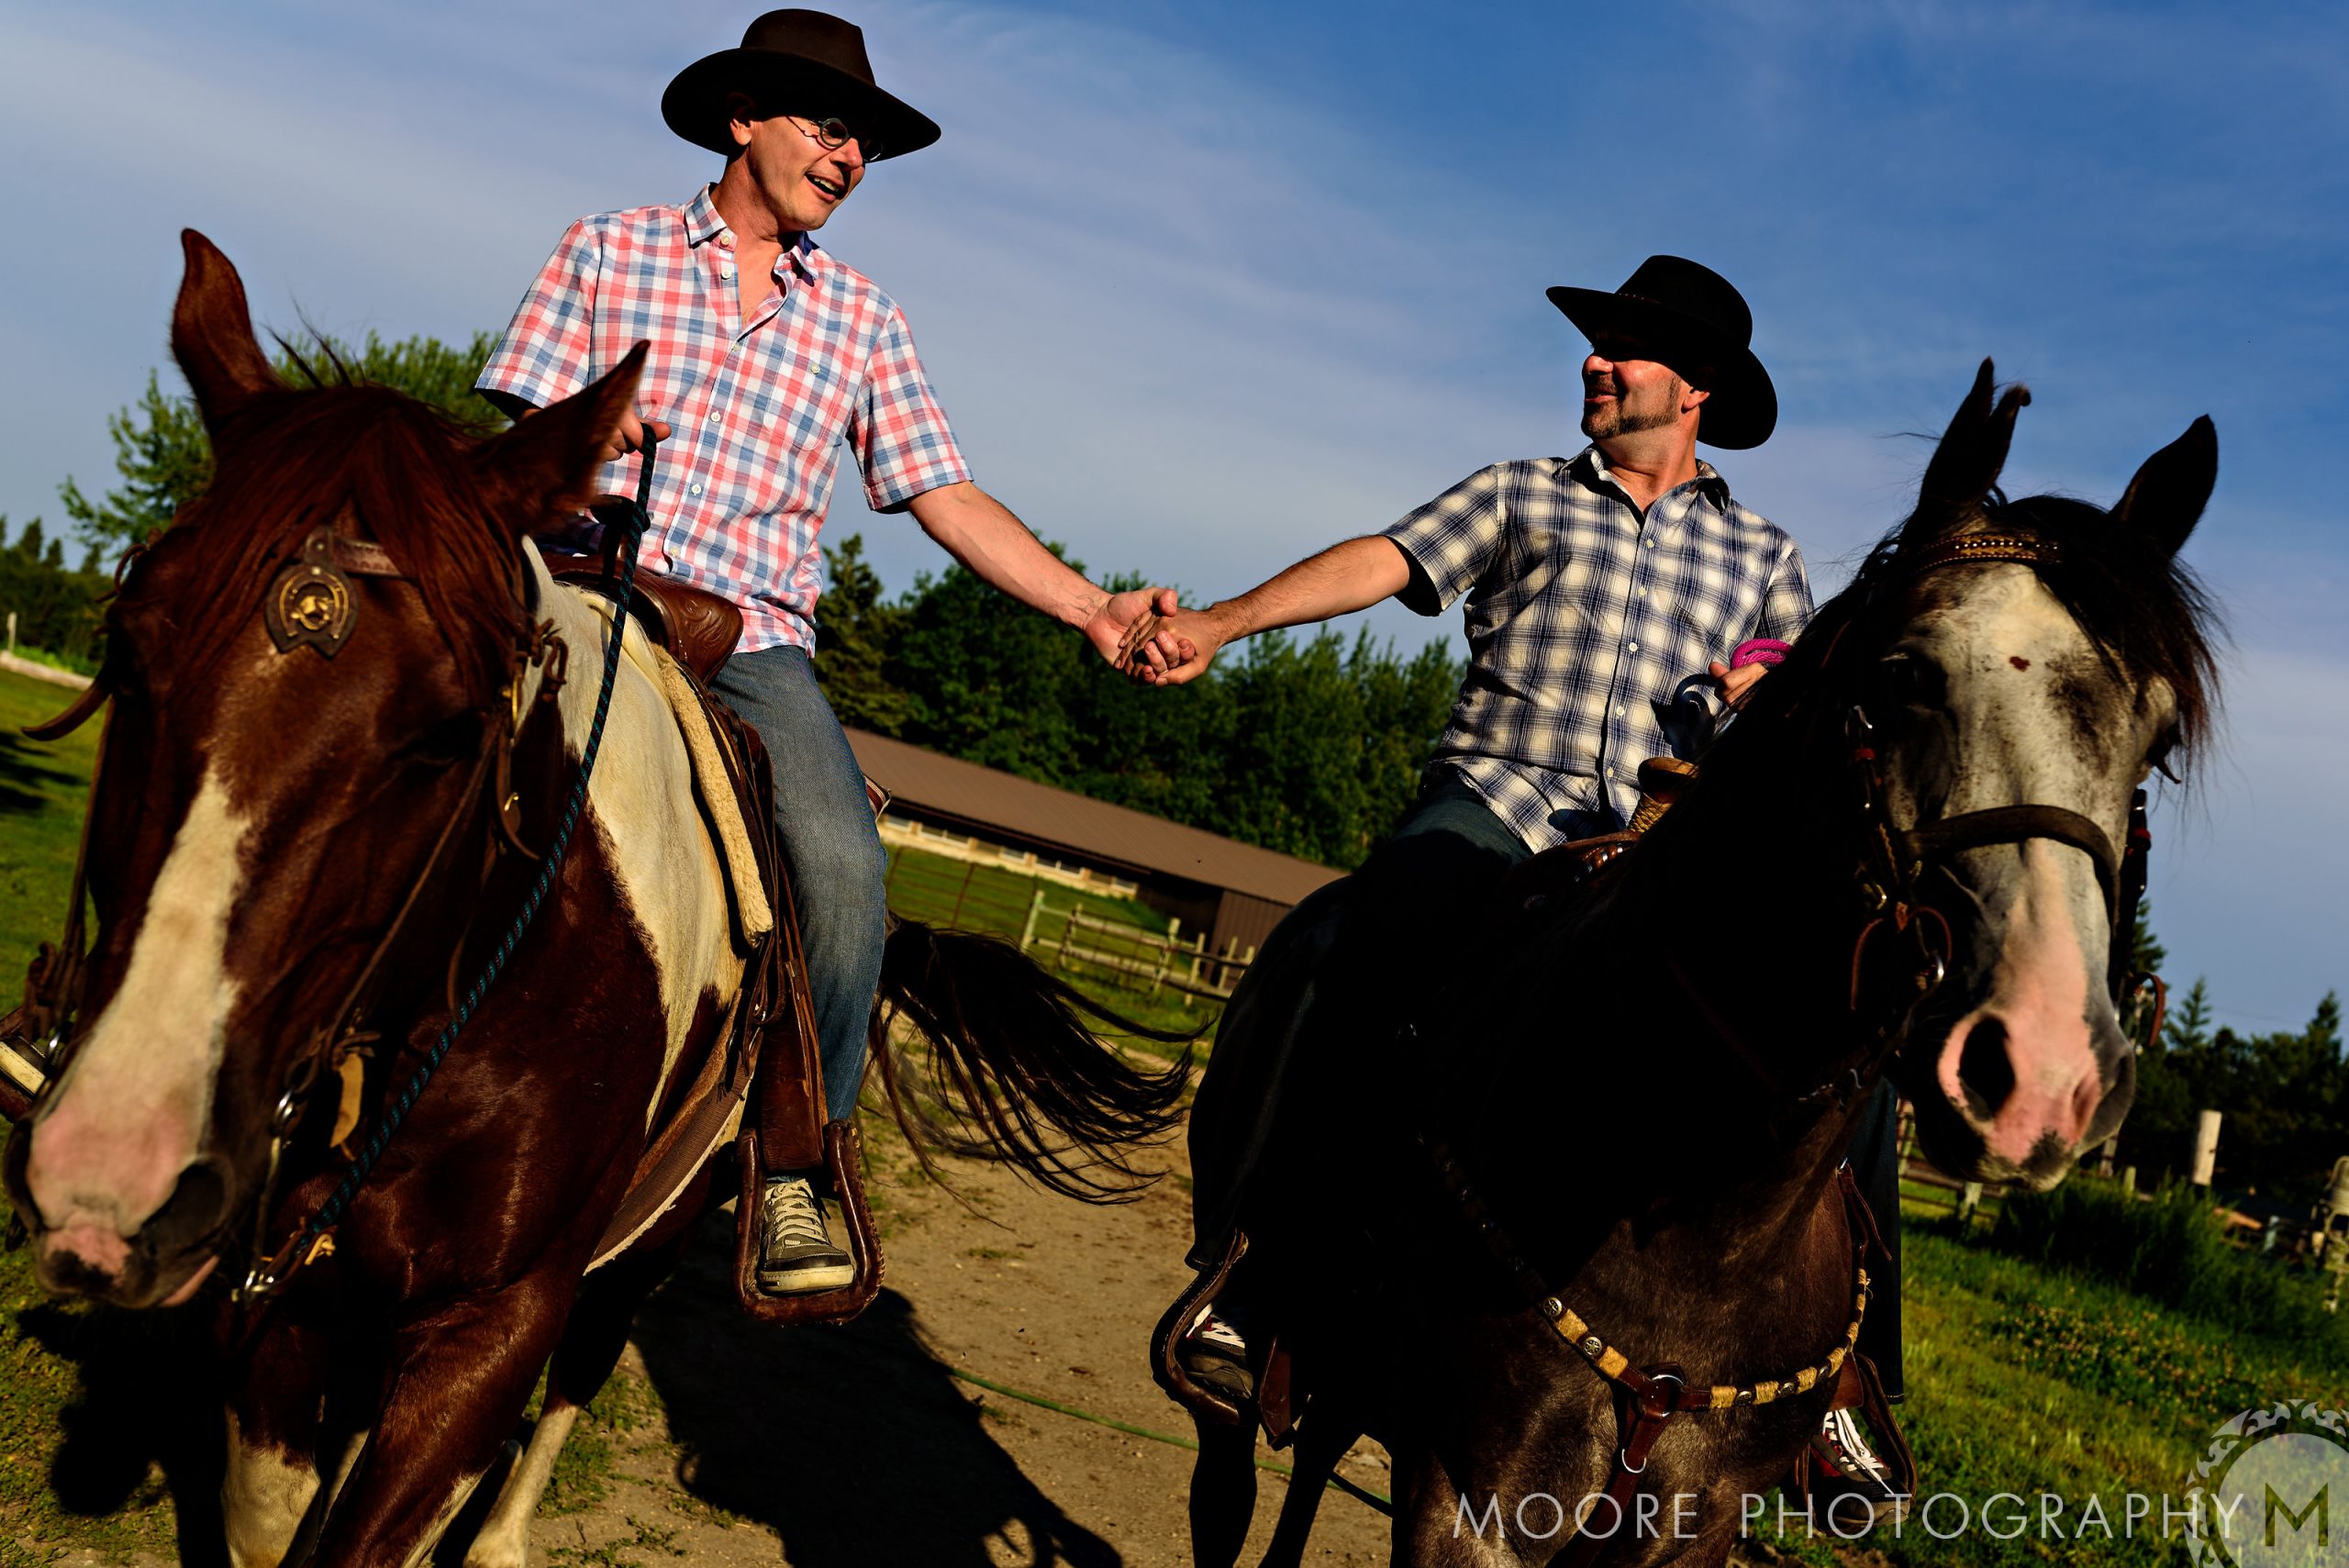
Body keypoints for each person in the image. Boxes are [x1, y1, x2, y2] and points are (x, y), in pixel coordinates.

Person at [1139, 256, 1900, 1498]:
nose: (1595, 361)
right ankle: (1265, 1274)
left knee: (1845, 1050)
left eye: (1626, 347)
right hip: (1499, 807)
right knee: (1365, 942)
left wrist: (1768, 692)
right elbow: (1384, 560)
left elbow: (1786, 690)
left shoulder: (1766, 555)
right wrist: (1223, 621)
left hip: (1660, 857)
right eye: (1597, 342)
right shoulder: (1522, 492)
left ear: (1697, 386)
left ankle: (1849, 1380)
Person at [477, 8, 1184, 1296]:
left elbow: (942, 492)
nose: (851, 157)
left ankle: (801, 1160)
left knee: (848, 868)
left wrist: (1088, 607)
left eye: (865, 142)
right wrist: (578, 457)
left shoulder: (863, 317)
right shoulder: (607, 247)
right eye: (829, 125)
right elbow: (517, 431)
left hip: (747, 638)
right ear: (743, 118)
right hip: (577, 590)